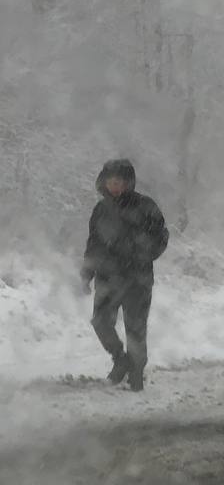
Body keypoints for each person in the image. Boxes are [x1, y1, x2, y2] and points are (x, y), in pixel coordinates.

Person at [80, 159, 169, 392]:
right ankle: (121, 359)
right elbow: (94, 244)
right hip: (107, 278)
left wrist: (142, 256)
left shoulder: (145, 206)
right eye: (110, 181)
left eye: (118, 181)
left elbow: (161, 237)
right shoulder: (101, 210)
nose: (114, 186)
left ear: (128, 182)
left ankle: (136, 373)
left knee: (135, 328)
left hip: (137, 279)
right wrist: (86, 273)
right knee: (100, 321)